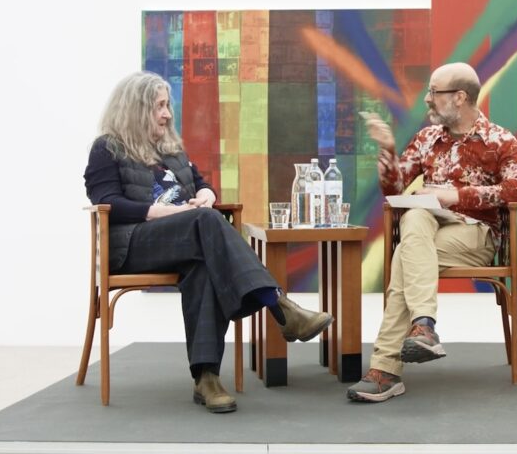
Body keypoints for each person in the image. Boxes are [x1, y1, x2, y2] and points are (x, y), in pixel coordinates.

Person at [83, 72, 333, 414]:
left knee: (203, 263)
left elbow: (202, 185)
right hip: (134, 246)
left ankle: (207, 378)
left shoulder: (171, 151)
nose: (168, 114)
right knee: (206, 220)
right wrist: (163, 212)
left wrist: (205, 194)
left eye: (167, 105)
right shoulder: (107, 148)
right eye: (159, 106)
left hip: (186, 241)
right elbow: (106, 200)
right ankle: (279, 305)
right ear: (136, 108)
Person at [347, 62, 517, 403]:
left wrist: (457, 196)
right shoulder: (427, 138)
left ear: (460, 97)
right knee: (415, 220)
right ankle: (423, 327)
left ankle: (385, 371)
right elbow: (394, 188)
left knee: (406, 254)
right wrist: (389, 149)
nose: (427, 99)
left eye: (434, 92)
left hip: (474, 233)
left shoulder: (498, 139)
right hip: (427, 230)